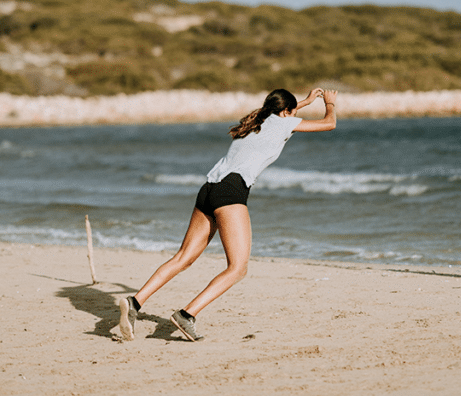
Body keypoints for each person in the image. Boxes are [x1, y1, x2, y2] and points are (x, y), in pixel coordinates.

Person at [119, 88, 338, 341]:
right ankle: (186, 315)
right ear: (287, 112)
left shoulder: (255, 122)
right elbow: (329, 123)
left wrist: (305, 102)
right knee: (237, 268)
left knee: (183, 257)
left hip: (209, 189)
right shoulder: (282, 124)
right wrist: (329, 103)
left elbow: (279, 113)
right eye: (292, 111)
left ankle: (134, 302)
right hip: (231, 192)